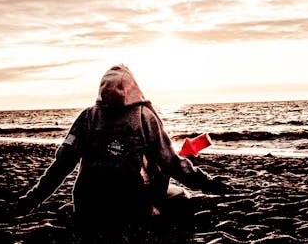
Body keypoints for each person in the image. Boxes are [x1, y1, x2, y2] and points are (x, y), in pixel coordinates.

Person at [15, 64, 229, 243]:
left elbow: (61, 165)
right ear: (133, 89)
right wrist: (209, 183)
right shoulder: (144, 116)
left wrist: (31, 199)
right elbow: (171, 162)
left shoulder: (88, 117)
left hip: (88, 208)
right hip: (130, 208)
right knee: (180, 200)